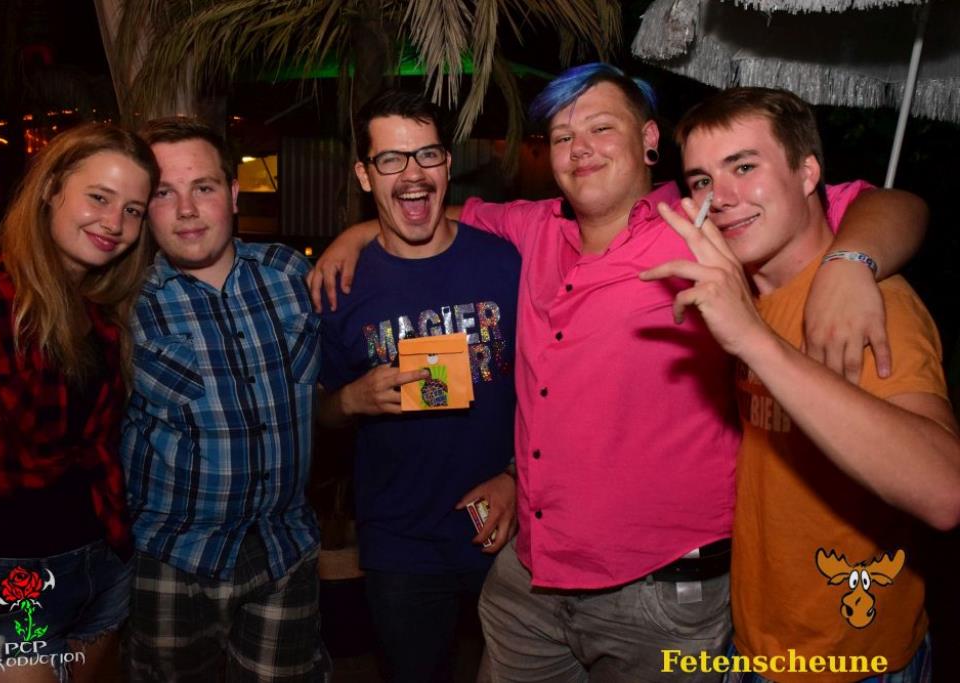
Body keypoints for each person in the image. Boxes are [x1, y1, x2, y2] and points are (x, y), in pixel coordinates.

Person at [311, 64, 930, 680]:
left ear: (650, 139)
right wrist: (360, 232)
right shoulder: (533, 228)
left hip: (660, 594)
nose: (580, 148)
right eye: (562, 136)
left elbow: (889, 204)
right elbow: (432, 213)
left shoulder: (708, 225)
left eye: (601, 128)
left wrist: (851, 262)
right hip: (534, 578)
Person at [642, 86, 960, 682]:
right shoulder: (751, 295)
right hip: (759, 642)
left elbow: (946, 491)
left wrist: (752, 340)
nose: (721, 197)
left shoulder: (868, 304)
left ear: (808, 172)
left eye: (744, 167)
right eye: (702, 180)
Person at [0, 123, 157, 683]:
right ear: (51, 188)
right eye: (99, 197)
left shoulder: (103, 309)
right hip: (12, 581)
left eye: (132, 210)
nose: (114, 223)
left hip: (103, 567)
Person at [316, 90, 520, 682]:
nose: (412, 173)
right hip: (400, 544)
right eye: (391, 159)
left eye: (427, 154)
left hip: (505, 528)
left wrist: (516, 476)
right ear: (364, 175)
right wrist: (351, 399)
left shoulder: (507, 264)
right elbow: (319, 413)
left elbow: (551, 392)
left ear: (447, 165)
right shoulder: (340, 285)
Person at [120, 117, 328, 682]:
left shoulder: (292, 274)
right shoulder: (125, 303)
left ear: (233, 194)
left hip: (285, 550)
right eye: (164, 193)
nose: (187, 210)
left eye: (203, 187)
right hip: (171, 559)